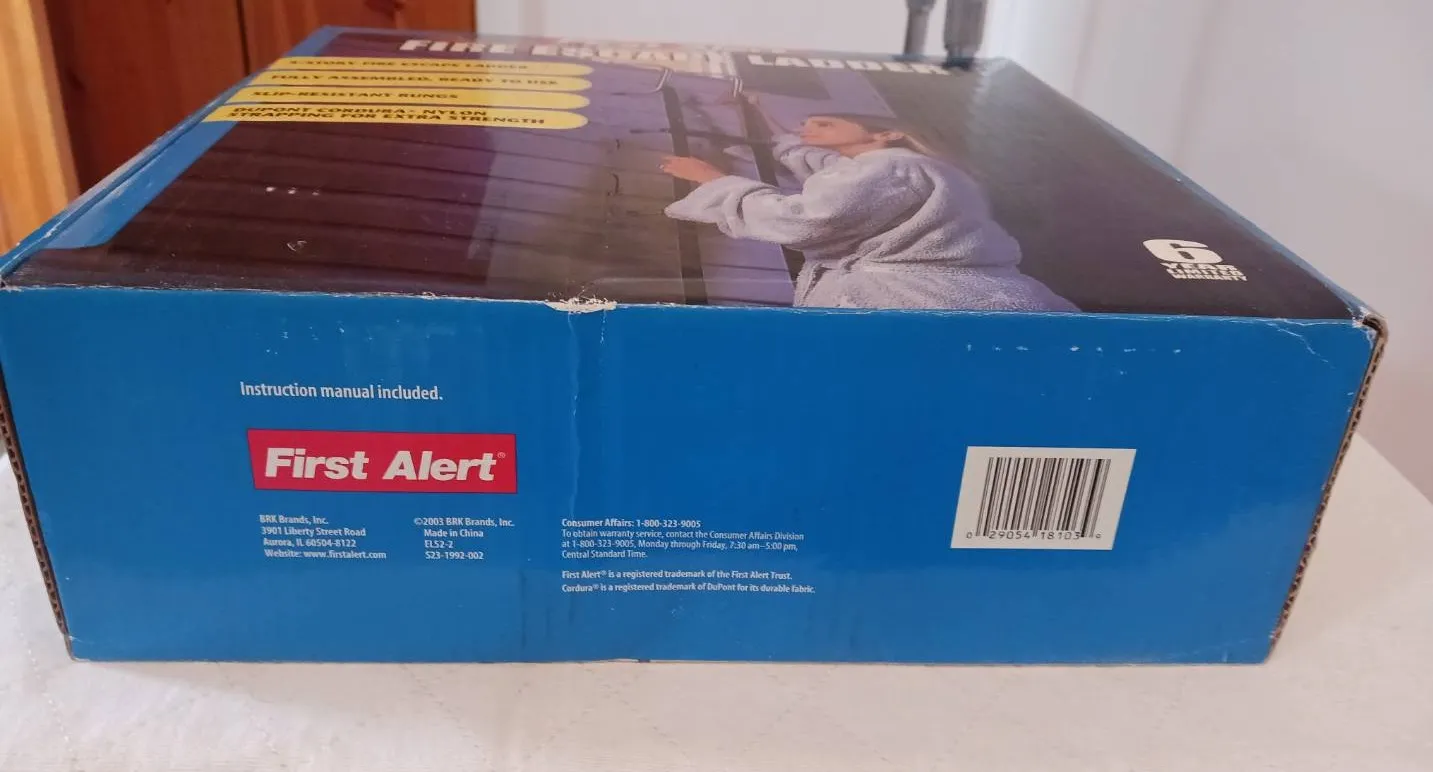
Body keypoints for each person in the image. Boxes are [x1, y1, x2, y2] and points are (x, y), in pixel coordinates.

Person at [659, 111, 1077, 312]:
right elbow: (808, 157)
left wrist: (715, 181)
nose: (807, 130)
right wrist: (756, 112)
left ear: (887, 133)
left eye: (825, 123)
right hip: (976, 298)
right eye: (806, 125)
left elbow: (806, 220)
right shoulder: (909, 168)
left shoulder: (890, 168)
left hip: (918, 303)